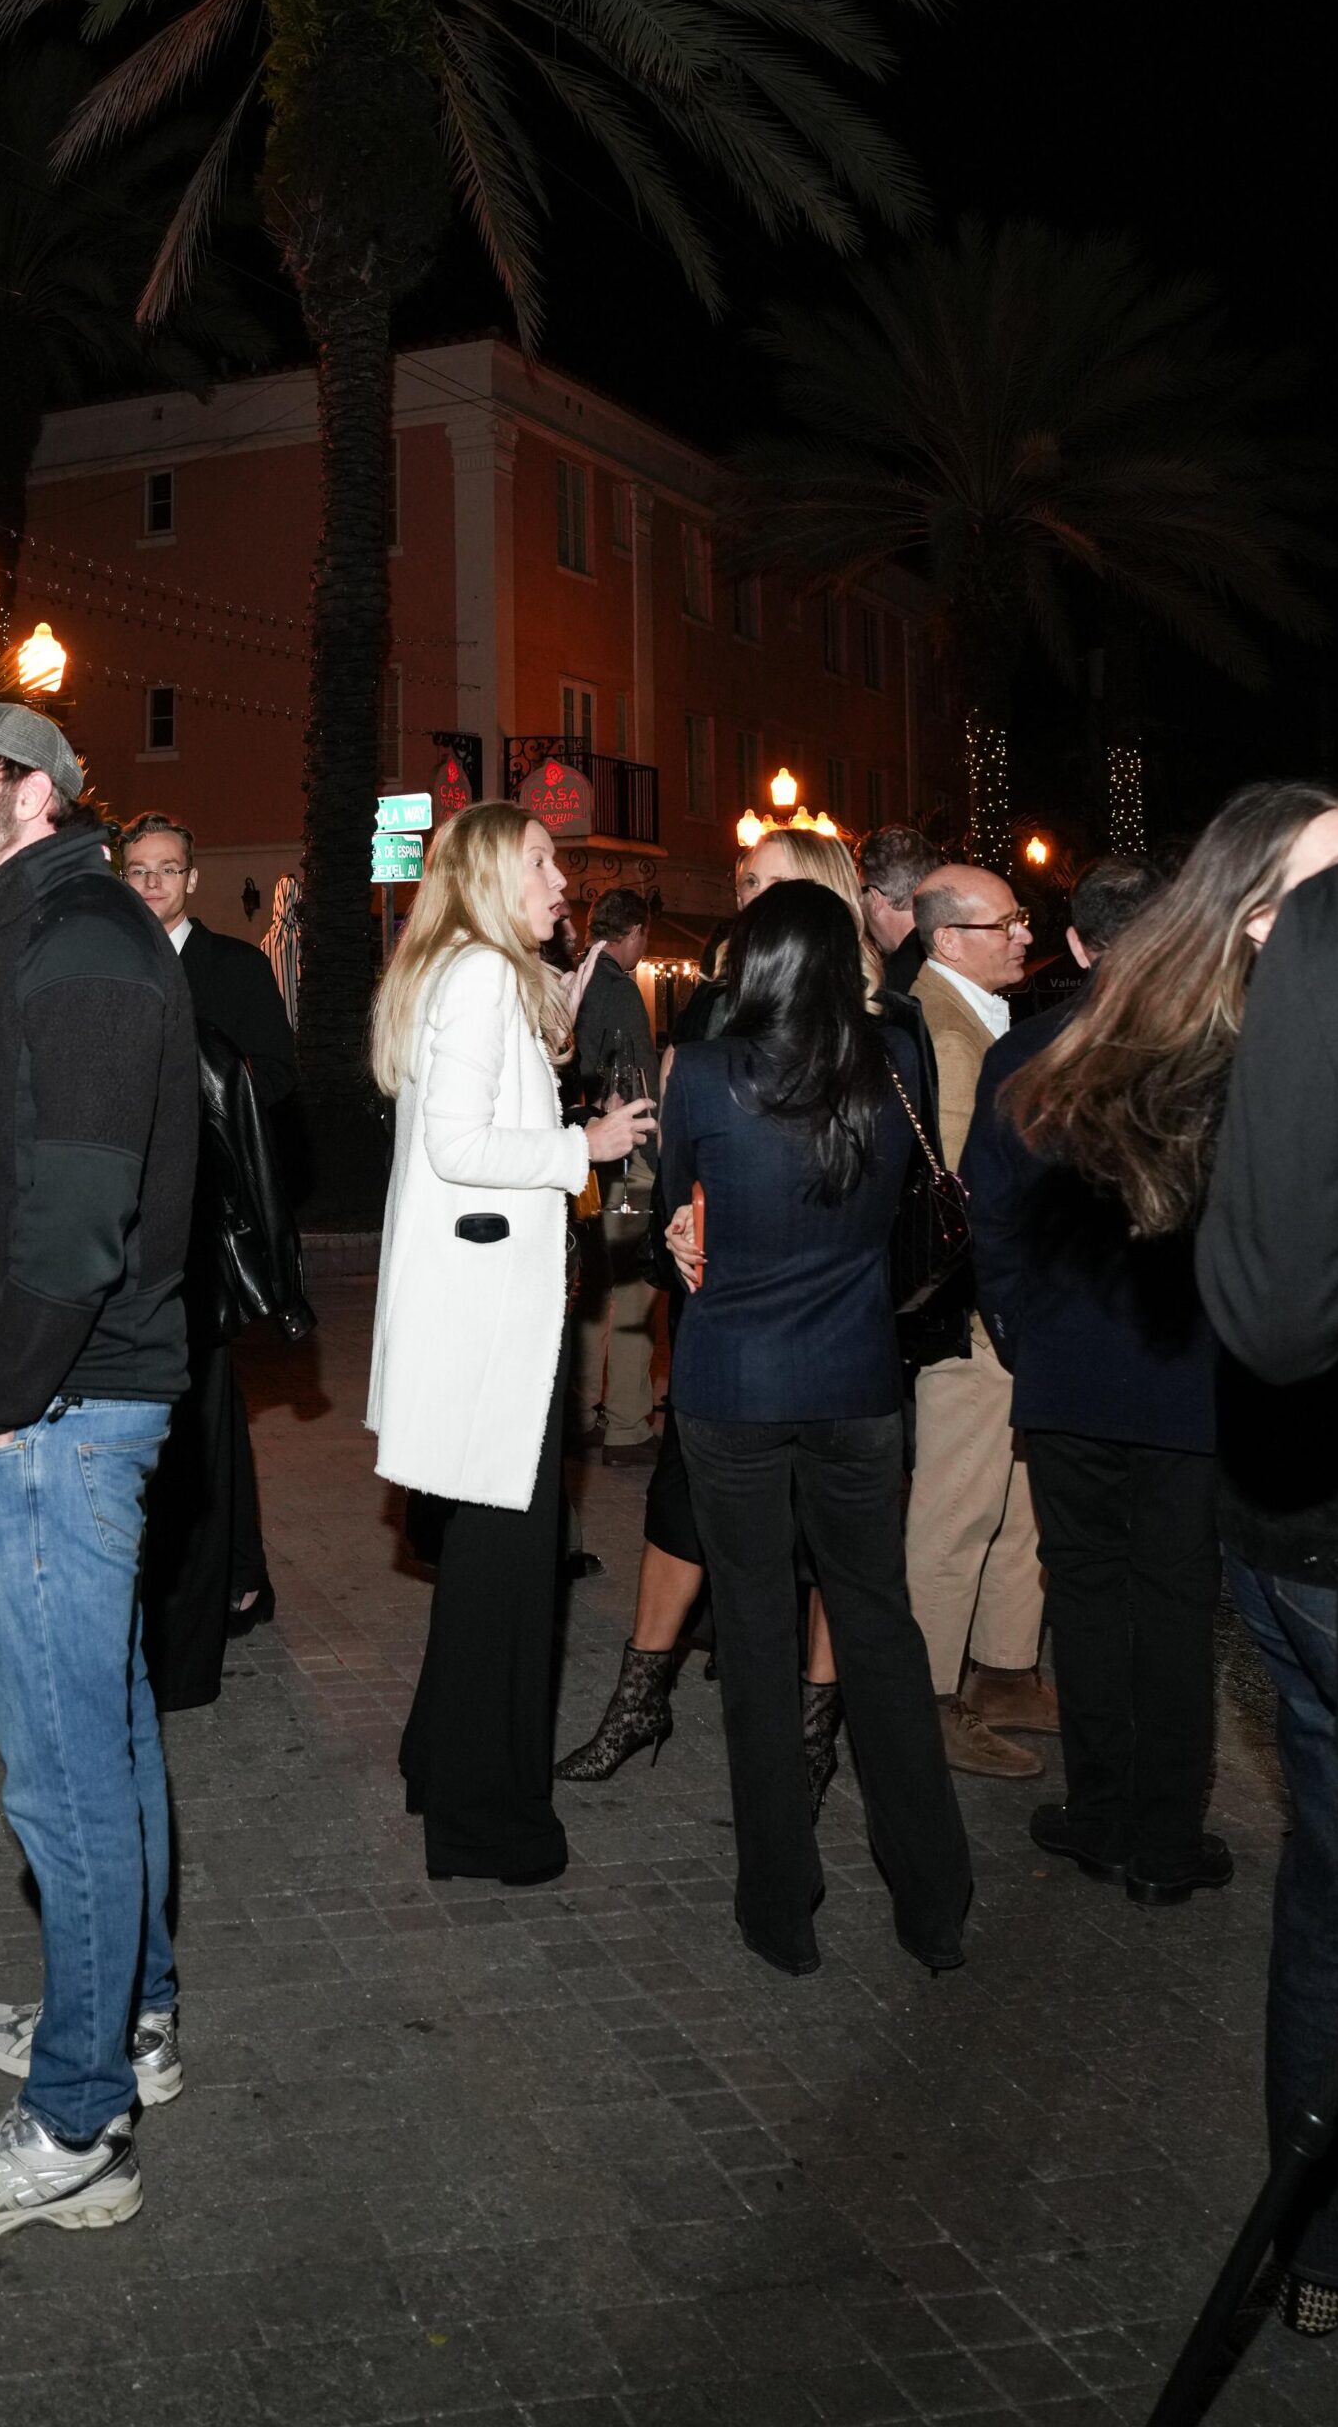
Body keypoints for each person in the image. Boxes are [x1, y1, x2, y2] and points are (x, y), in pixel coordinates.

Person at [0, 705, 197, 2245]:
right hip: (76, 1403)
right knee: (106, 1739)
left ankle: (77, 2124)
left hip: (62, 1411)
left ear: (40, 793)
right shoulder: (50, 934)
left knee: (61, 1778)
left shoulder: (80, 950)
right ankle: (126, 2025)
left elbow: (74, 1224)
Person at [661, 879, 972, 1977]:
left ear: (748, 965)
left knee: (752, 1634)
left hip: (731, 1384)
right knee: (877, 1625)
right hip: (854, 1384)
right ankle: (932, 1902)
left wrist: (678, 1232)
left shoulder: (699, 1073)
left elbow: (676, 1201)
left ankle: (778, 1906)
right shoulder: (886, 1073)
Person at [367, 804, 651, 1885]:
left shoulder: (466, 969)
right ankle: (485, 1821)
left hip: (475, 1318)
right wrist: (586, 1141)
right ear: (490, 873)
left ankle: (441, 1764)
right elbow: (461, 1142)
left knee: (487, 1561)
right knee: (507, 1570)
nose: (558, 879)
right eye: (538, 860)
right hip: (490, 1326)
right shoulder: (480, 974)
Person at [965, 855, 1232, 1901]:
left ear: (1075, 944)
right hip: (1185, 1374)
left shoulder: (1025, 1052)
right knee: (1172, 1602)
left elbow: (989, 1219)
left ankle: (1102, 1810)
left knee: (1081, 1595)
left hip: (1069, 1369)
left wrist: (1020, 1334)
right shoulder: (1216, 1055)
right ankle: (1164, 1836)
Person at [1196, 794, 1338, 2339]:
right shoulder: (1274, 1058)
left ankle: (1317, 2245)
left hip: (1275, 1537)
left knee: (1326, 1884)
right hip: (1311, 1550)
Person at [119, 812, 296, 1686]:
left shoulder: (231, 966)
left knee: (204, 1412)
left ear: (192, 878)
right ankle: (237, 1576)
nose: (152, 883)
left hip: (207, 1225)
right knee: (201, 1415)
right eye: (138, 870)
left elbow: (279, 1075)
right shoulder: (116, 965)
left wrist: (209, 1079)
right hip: (134, 1222)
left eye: (167, 870)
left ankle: (220, 1584)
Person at [902, 861, 1055, 1778]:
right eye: (1008, 923)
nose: (1024, 935)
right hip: (977, 1310)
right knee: (959, 1507)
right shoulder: (944, 1032)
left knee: (1017, 1500)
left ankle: (1003, 1669)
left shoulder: (985, 1015)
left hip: (1017, 1307)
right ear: (950, 939)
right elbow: (971, 1192)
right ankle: (925, 1698)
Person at [569, 888, 663, 1466]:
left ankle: (581, 1413)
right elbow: (636, 1083)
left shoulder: (577, 979)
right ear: (632, 932)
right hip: (628, 1165)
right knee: (633, 1287)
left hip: (587, 1164)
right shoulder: (619, 991)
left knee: (596, 1285)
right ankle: (629, 1424)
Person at [857, 822, 943, 996]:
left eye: (860, 893)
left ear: (876, 898)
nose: (858, 903)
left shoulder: (889, 986)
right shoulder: (952, 953)